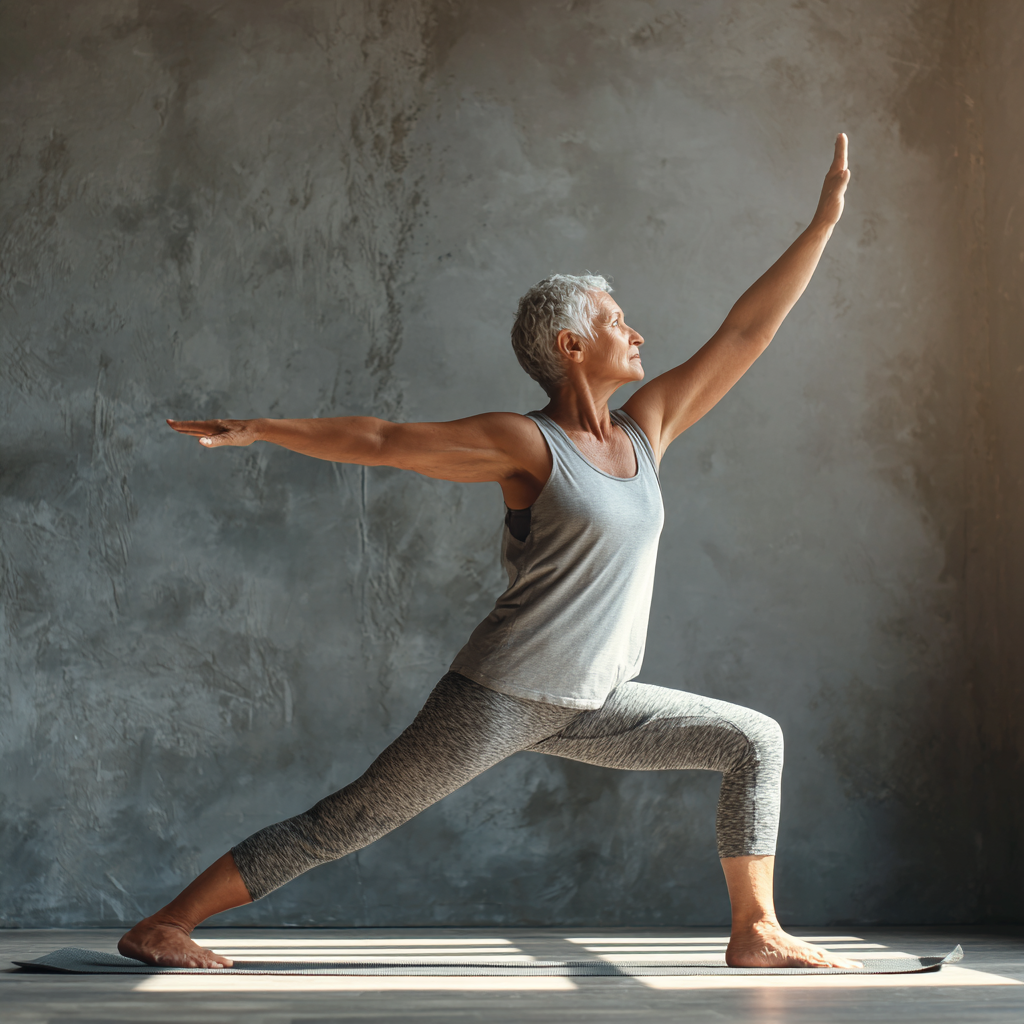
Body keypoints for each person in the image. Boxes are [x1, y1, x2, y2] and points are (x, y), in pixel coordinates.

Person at [119, 135, 858, 971]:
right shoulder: (527, 444)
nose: (637, 331)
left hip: (596, 699)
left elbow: (746, 332)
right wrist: (262, 429)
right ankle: (165, 923)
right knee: (351, 820)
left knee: (752, 741)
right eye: (617, 321)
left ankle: (755, 930)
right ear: (571, 345)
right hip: (502, 694)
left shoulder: (646, 430)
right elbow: (384, 440)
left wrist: (822, 224)